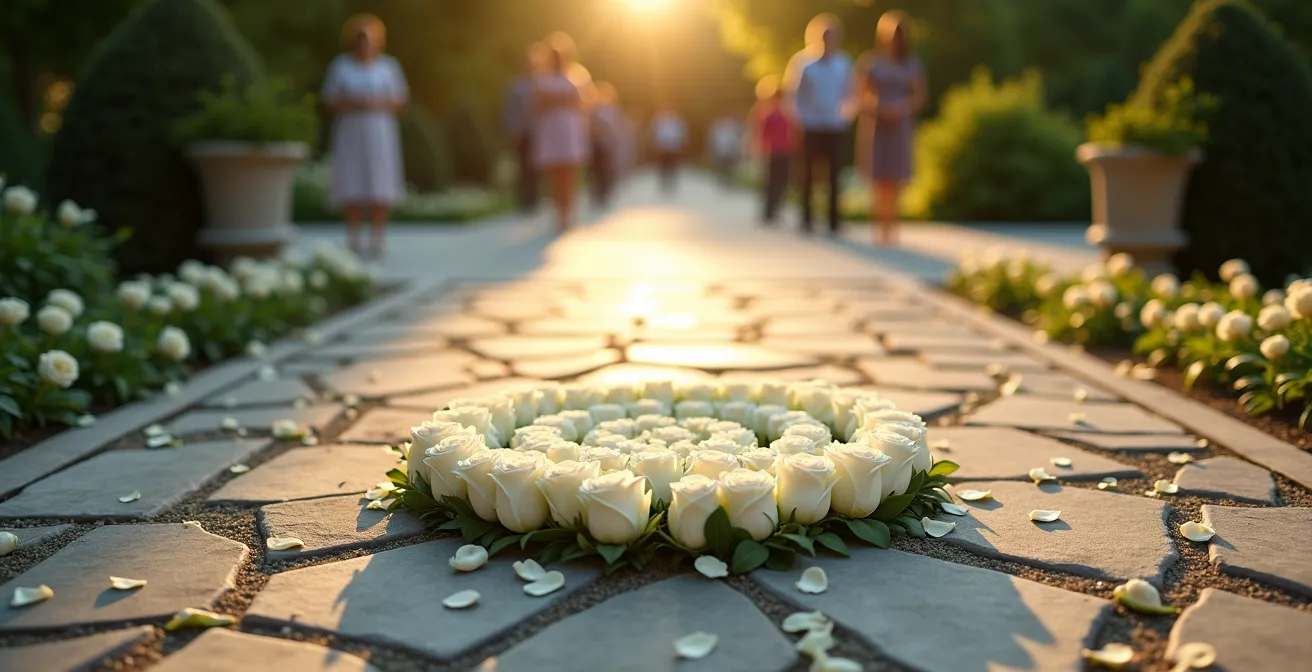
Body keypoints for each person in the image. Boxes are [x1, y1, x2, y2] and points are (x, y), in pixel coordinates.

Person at [321, 13, 409, 258]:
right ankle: (354, 239)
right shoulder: (341, 66)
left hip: (379, 133)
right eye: (360, 38)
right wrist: (354, 102)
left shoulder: (388, 66)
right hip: (351, 131)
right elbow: (329, 99)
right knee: (353, 183)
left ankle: (378, 238)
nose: (364, 44)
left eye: (368, 39)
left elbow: (400, 98)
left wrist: (375, 102)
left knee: (379, 184)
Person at [855, 11, 926, 246]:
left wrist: (899, 110)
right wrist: (876, 108)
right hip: (877, 123)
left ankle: (892, 228)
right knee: (878, 177)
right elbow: (859, 94)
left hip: (899, 124)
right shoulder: (871, 62)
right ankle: (879, 229)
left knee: (895, 178)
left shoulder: (912, 64)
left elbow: (919, 97)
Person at [783, 13, 853, 235]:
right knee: (808, 175)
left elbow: (851, 94)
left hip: (834, 126)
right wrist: (798, 120)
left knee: (834, 176)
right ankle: (806, 219)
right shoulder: (803, 63)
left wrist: (845, 117)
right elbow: (792, 96)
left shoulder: (843, 63)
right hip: (810, 126)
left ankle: (834, 220)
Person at [532, 34, 590, 233]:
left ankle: (568, 212)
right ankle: (558, 212)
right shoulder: (542, 78)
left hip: (568, 130)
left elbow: (582, 103)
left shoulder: (576, 76)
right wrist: (560, 99)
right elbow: (537, 104)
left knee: (568, 174)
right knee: (553, 174)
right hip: (550, 130)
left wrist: (557, 100)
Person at [748, 76, 796, 224]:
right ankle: (769, 210)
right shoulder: (770, 113)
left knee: (778, 182)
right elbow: (761, 133)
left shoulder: (786, 112)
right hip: (775, 152)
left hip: (782, 151)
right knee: (774, 182)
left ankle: (772, 210)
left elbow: (793, 132)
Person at [502, 44, 542, 213]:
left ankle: (534, 199)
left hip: (539, 133)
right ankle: (523, 200)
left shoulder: (541, 84)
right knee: (522, 166)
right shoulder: (516, 85)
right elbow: (509, 109)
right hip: (523, 132)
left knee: (535, 167)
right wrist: (513, 129)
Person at [589, 82, 623, 208]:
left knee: (607, 169)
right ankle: (597, 193)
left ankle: (606, 192)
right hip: (596, 143)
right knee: (596, 169)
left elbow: (616, 126)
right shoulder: (594, 108)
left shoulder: (613, 109)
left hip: (609, 143)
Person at [649, 107, 687, 195]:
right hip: (663, 147)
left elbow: (682, 132)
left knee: (673, 167)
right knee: (663, 167)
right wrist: (655, 143)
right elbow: (654, 132)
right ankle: (663, 184)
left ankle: (672, 183)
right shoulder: (659, 119)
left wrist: (681, 143)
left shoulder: (677, 120)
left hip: (673, 147)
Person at [707, 112, 743, 186]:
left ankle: (727, 179)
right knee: (723, 165)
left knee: (728, 166)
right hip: (723, 150)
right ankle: (722, 178)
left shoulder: (733, 129)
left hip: (728, 151)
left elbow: (735, 141)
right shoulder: (724, 129)